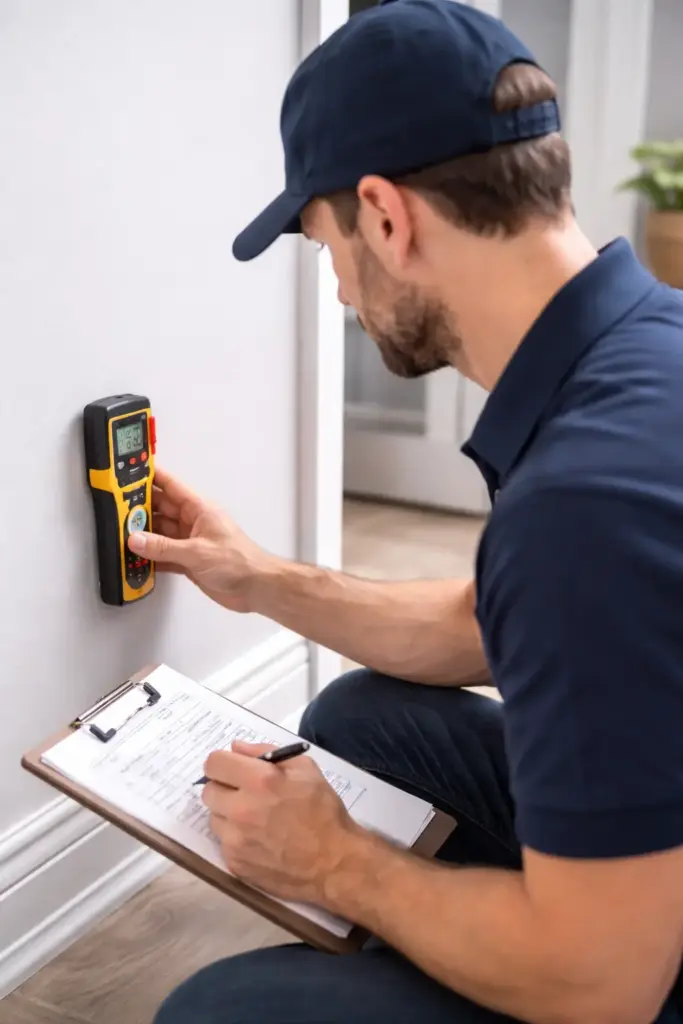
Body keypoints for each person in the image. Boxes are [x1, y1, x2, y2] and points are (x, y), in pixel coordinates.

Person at [133, 1, 683, 1021]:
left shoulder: (581, 507)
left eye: (321, 242)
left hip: (629, 968)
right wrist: (256, 578)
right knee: (354, 721)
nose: (339, 286)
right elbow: (492, 623)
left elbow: (604, 986)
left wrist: (338, 863)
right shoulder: (645, 347)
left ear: (384, 216)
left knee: (218, 1012)